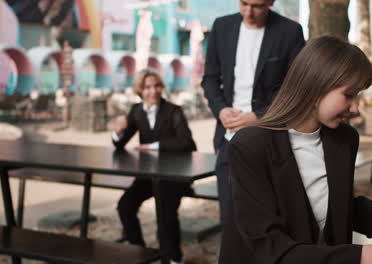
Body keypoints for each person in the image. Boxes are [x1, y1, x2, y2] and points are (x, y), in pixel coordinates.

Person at [220, 36, 372, 264]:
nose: (355, 108)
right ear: (315, 85)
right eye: (349, 95)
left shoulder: (343, 138)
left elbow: (331, 205)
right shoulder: (250, 146)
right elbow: (269, 249)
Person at [202, 0, 305, 223]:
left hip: (271, 134)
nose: (248, 12)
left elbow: (296, 87)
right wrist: (221, 110)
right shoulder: (221, 26)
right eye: (244, 3)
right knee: (229, 217)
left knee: (270, 215)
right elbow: (209, 79)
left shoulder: (290, 31)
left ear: (270, 3)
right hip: (228, 135)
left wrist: (258, 116)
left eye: (257, 5)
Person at [112, 69, 196, 264]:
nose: (154, 91)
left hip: (173, 176)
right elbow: (120, 143)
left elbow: (186, 143)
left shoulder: (174, 110)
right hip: (149, 176)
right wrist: (118, 131)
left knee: (165, 213)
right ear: (140, 90)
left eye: (157, 85)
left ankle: (173, 259)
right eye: (148, 87)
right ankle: (138, 252)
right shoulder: (136, 111)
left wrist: (151, 147)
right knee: (125, 206)